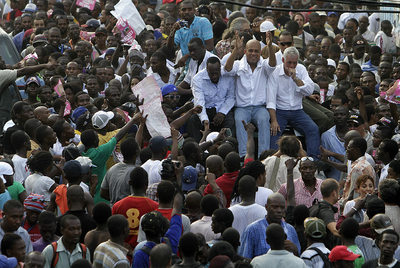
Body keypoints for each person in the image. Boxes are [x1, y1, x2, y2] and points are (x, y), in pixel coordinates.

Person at [224, 32, 276, 158]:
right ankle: (244, 156)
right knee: (239, 120)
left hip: (259, 108)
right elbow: (227, 68)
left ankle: (263, 157)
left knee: (264, 120)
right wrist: (236, 50)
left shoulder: (263, 65)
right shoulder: (238, 65)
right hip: (242, 108)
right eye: (250, 51)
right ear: (245, 51)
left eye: (256, 51)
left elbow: (272, 64)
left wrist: (270, 47)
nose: (253, 54)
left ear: (260, 53)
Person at [267, 46, 319, 158]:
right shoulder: (275, 72)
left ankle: (312, 160)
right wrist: (274, 120)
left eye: (294, 63)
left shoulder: (301, 69)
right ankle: (274, 161)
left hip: (297, 111)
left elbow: (309, 90)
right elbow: (271, 99)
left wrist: (295, 79)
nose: (291, 66)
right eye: (289, 62)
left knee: (313, 129)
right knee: (274, 132)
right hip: (280, 110)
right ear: (283, 60)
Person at [81, 110, 137, 203]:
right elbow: (118, 136)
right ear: (95, 141)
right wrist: (134, 119)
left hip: (86, 197)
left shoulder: (81, 154)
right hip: (100, 198)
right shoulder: (100, 152)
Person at [187, 57, 235, 142]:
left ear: (220, 69)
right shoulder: (197, 79)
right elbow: (199, 103)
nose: (214, 76)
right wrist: (205, 121)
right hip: (206, 109)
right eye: (211, 74)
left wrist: (222, 113)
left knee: (230, 121)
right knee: (193, 120)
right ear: (207, 70)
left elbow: (231, 97)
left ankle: (227, 146)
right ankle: (198, 147)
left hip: (222, 109)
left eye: (216, 73)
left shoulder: (228, 76)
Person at [239, 193, 300, 258]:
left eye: (282, 208)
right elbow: (245, 258)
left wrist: (295, 250)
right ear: (266, 207)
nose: (279, 210)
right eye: (275, 207)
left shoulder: (290, 229)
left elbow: (298, 257)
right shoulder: (252, 229)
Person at [111, 167, 158, 249]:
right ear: (147, 184)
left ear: (129, 183)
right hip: (145, 253)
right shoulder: (154, 207)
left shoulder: (117, 206)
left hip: (121, 253)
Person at [100, 138, 139, 205]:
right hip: (130, 212)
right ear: (137, 152)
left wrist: (116, 202)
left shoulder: (112, 169)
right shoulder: (136, 172)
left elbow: (103, 193)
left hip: (114, 210)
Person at [309, 179, 340, 249]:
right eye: (338, 191)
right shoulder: (325, 210)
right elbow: (335, 231)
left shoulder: (314, 207)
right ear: (334, 193)